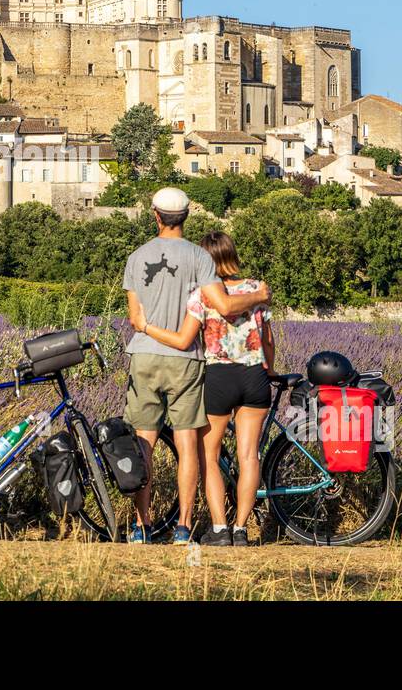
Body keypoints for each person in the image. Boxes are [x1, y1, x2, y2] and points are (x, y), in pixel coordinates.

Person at [122, 189, 271, 544]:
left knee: (145, 441)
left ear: (155, 216)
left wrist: (145, 328)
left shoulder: (135, 257)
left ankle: (142, 525)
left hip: (144, 354)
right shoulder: (198, 258)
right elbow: (223, 303)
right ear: (186, 216)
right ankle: (184, 526)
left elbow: (133, 316)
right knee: (188, 442)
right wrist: (260, 295)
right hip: (186, 359)